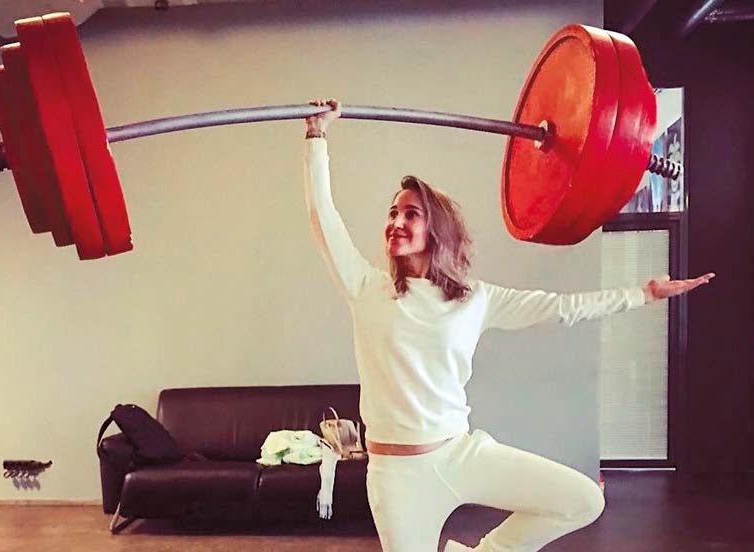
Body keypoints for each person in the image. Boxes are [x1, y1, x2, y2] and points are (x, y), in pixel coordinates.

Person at [302, 99, 714, 552]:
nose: (396, 222)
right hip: (397, 478)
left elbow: (562, 308)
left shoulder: (474, 300)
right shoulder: (366, 288)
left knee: (582, 500)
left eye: (411, 214)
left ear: (437, 229)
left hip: (459, 454)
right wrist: (317, 137)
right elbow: (324, 217)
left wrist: (643, 293)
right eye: (393, 213)